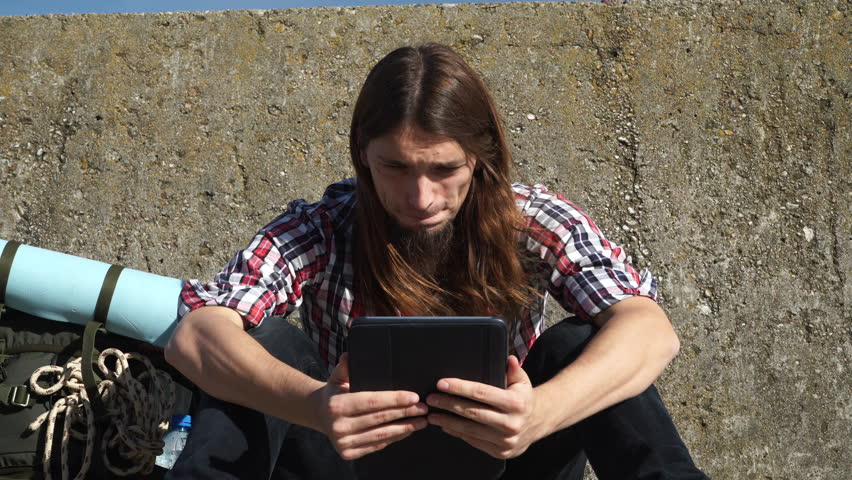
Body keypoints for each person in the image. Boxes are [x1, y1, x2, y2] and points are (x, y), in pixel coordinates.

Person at [164, 43, 708, 479]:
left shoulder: (534, 220)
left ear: (480, 154)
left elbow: (650, 330)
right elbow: (197, 336)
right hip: (349, 462)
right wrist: (315, 406)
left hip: (502, 463)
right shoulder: (323, 228)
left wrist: (540, 413)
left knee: (579, 345)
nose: (420, 197)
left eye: (443, 169)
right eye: (395, 168)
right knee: (271, 343)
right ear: (363, 156)